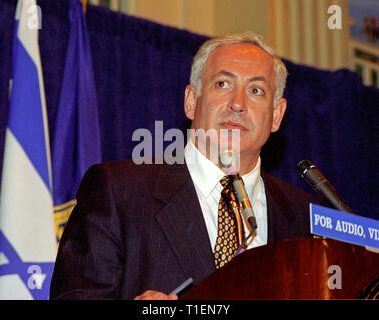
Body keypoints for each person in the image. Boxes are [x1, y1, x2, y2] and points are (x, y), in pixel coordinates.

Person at [50, 32, 320, 300]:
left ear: (276, 115)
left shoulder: (304, 217)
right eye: (223, 84)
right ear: (191, 102)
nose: (238, 104)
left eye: (256, 90)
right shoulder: (118, 191)